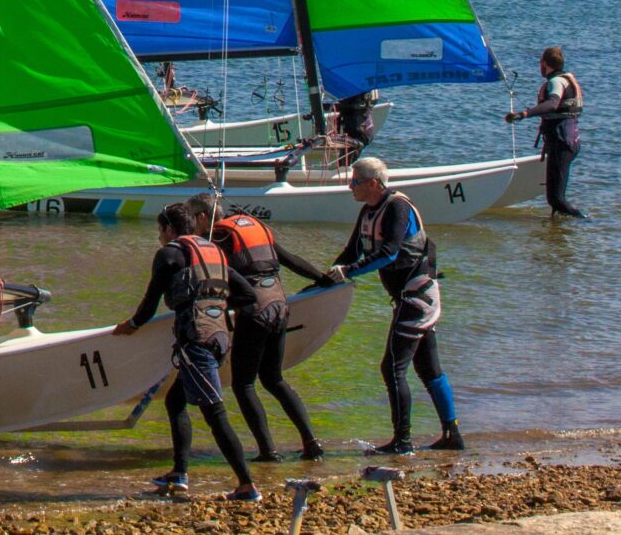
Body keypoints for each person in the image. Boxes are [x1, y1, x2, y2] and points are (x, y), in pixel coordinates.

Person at [114, 201, 260, 501]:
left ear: (169, 228)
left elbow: (149, 305)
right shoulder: (213, 252)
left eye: (159, 230)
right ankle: (179, 474)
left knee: (214, 413)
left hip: (197, 341)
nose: (159, 237)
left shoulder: (169, 254)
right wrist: (214, 307)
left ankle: (247, 486)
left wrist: (130, 325)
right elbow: (247, 294)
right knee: (175, 400)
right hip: (219, 338)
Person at [327, 157, 463, 455]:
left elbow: (389, 253)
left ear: (373, 183)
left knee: (392, 368)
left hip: (418, 296)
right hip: (407, 298)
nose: (350, 186)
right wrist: (327, 276)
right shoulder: (367, 211)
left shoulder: (398, 207)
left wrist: (349, 272)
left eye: (355, 181)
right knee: (428, 369)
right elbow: (351, 251)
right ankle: (452, 435)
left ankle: (402, 442)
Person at [198, 195, 327, 462]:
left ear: (203, 217)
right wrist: (323, 279)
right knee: (273, 379)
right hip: (279, 307)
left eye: (193, 218)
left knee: (243, 384)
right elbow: (290, 260)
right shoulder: (252, 228)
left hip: (255, 312)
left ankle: (268, 451)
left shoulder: (219, 236)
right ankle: (311, 442)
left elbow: (219, 279)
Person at [506, 47, 585, 217]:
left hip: (562, 143)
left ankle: (585, 221)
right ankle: (556, 235)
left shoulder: (556, 82)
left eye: (541, 62)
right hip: (569, 142)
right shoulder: (567, 79)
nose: (540, 66)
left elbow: (552, 104)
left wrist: (524, 114)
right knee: (554, 199)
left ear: (545, 64)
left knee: (556, 199)